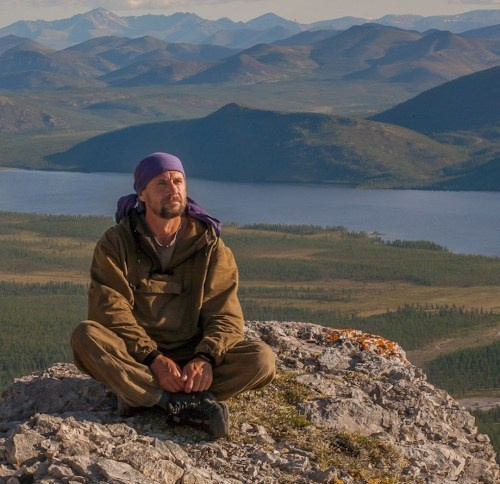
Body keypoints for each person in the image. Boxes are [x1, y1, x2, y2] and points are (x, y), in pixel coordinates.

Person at [71, 152, 276, 438]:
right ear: (142, 194)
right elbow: (109, 309)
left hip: (193, 354)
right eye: (161, 183)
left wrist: (206, 358)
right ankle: (177, 402)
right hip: (140, 357)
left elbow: (224, 313)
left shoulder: (209, 244)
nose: (173, 189)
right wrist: (153, 357)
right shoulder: (117, 242)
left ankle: (144, 394)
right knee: (86, 336)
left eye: (178, 181)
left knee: (261, 360)